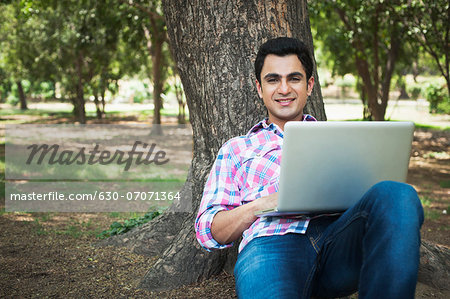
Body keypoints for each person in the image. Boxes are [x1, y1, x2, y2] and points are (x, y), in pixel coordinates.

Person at [195, 37, 424, 299]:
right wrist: (262, 204)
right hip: (269, 245)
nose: (284, 89)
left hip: (337, 240)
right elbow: (207, 231)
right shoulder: (236, 149)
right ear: (259, 88)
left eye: (294, 78)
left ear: (309, 85)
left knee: (399, 194)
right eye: (273, 80)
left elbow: (376, 206)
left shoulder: (342, 139)